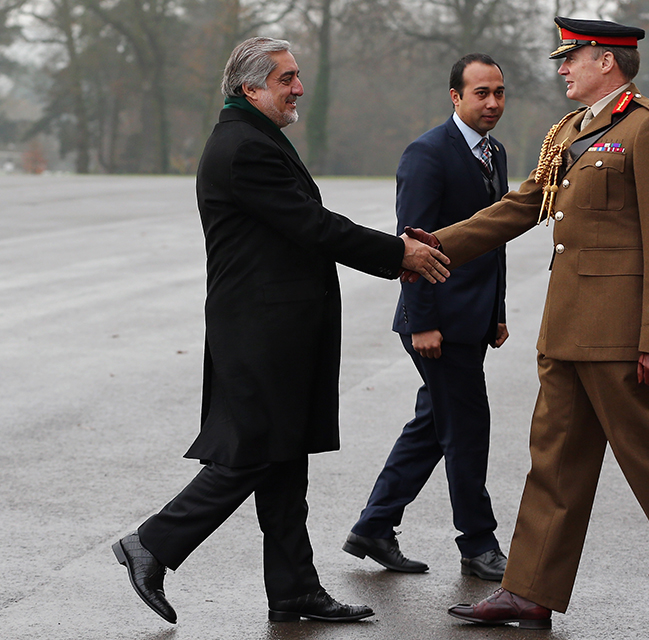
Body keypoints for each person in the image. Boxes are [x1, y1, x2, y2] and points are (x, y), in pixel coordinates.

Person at [411, 16, 649, 635]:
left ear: (608, 62)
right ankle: (529, 592)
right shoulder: (571, 130)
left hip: (619, 332)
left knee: (645, 457)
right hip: (566, 327)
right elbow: (521, 206)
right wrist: (437, 246)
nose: (562, 68)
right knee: (555, 462)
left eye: (574, 57)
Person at [111, 36, 449, 625]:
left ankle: (294, 591)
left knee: (285, 459)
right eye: (287, 78)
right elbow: (313, 226)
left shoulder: (253, 139)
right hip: (260, 335)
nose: (298, 88)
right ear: (251, 88)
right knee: (251, 457)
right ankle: (153, 544)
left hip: (276, 331)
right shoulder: (245, 149)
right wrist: (398, 254)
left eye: (296, 76)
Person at [343, 53, 511, 581]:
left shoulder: (496, 153)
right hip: (437, 321)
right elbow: (409, 246)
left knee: (433, 426)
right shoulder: (427, 154)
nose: (492, 103)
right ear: (455, 97)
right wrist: (421, 322)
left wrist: (497, 313)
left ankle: (373, 527)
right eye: (480, 93)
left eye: (499, 92)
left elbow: (492, 242)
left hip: (474, 319)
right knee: (466, 427)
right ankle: (479, 544)